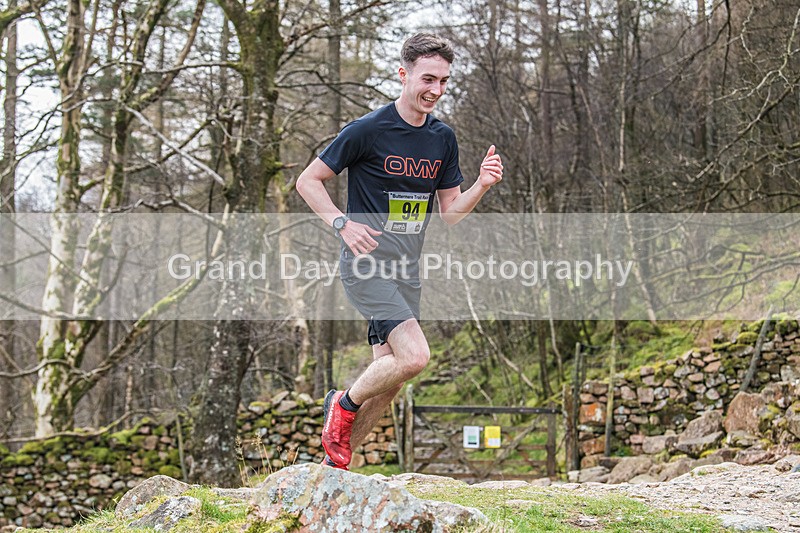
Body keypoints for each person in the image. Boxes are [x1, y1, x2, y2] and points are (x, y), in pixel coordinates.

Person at [295, 33, 504, 469]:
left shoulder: (442, 139)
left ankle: (337, 466)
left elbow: (450, 212)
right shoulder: (367, 130)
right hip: (366, 265)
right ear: (404, 74)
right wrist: (341, 222)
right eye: (429, 78)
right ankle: (342, 401)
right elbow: (307, 181)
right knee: (416, 357)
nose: (437, 90)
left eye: (445, 81)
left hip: (407, 272)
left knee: (390, 378)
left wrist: (481, 185)